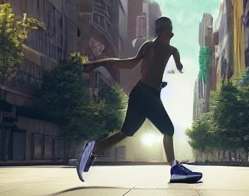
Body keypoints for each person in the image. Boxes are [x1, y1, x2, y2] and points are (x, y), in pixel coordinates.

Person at [77, 17, 202, 184]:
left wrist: (173, 71)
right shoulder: (149, 47)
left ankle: (93, 149)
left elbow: (174, 62)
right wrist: (99, 63)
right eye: (167, 30)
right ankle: (174, 169)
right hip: (144, 94)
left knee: (126, 132)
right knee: (168, 129)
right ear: (162, 31)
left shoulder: (172, 50)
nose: (170, 33)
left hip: (146, 94)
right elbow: (128, 64)